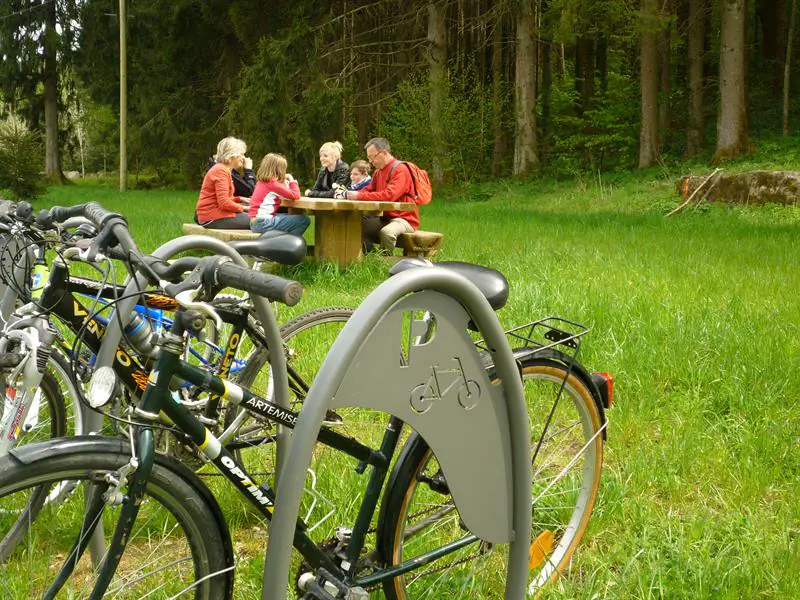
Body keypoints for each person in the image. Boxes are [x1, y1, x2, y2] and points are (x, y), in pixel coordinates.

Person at [343, 137, 419, 253]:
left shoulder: (401, 170)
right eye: (368, 158)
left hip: (404, 219)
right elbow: (369, 190)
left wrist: (359, 196)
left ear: (383, 153)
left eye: (372, 157)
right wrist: (351, 194)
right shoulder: (378, 172)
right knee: (355, 223)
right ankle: (367, 256)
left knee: (387, 233)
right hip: (385, 217)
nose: (370, 161)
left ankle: (383, 261)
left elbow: (389, 195)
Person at [195, 137, 251, 229]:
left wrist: (240, 199)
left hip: (214, 214)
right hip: (213, 216)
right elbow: (224, 203)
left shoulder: (224, 169)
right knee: (260, 221)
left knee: (258, 216)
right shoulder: (220, 170)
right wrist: (247, 208)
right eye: (241, 154)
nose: (243, 157)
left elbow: (224, 198)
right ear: (231, 155)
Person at [249, 153, 310, 236]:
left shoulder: (262, 182)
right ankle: (291, 244)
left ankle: (286, 242)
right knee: (304, 220)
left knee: (290, 216)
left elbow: (284, 193)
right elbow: (295, 195)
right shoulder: (272, 184)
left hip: (255, 222)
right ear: (279, 170)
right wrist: (292, 180)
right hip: (263, 223)